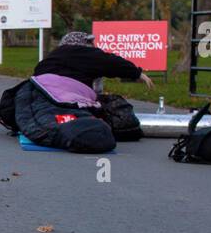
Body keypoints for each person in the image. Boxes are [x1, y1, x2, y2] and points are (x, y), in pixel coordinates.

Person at [13, 30, 153, 153]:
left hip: (30, 91)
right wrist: (137, 73)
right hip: (60, 98)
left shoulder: (53, 56)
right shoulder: (83, 52)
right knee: (69, 126)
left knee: (34, 120)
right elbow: (112, 62)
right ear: (85, 43)